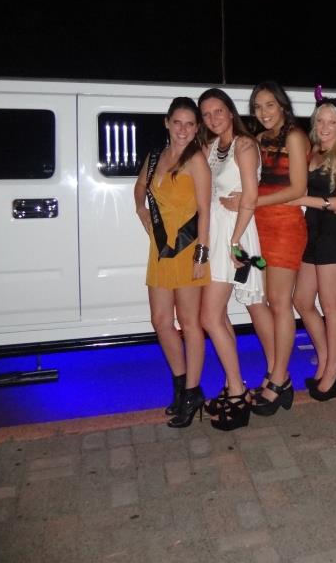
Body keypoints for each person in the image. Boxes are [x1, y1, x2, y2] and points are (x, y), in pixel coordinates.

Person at [219, 82, 309, 416]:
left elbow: (297, 188)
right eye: (257, 107)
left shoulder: (296, 137)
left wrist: (252, 200)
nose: (263, 112)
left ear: (282, 105)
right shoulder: (256, 141)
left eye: (269, 105)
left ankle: (279, 378)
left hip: (285, 226)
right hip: (258, 228)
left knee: (280, 302)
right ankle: (279, 375)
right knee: (261, 300)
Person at [133, 97, 211, 428]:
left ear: (196, 129)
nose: (183, 129)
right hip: (161, 252)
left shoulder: (197, 161)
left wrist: (201, 255)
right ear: (167, 123)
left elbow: (206, 211)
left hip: (188, 248)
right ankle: (180, 385)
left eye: (190, 124)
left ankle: (192, 392)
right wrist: (143, 216)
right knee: (161, 320)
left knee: (190, 323)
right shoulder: (155, 158)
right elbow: (139, 194)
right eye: (177, 122)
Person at [198, 88, 268, 430]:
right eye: (207, 114)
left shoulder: (243, 144)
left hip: (234, 235)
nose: (213, 118)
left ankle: (239, 390)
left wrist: (236, 241)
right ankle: (232, 383)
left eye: (218, 111)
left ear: (230, 110)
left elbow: (251, 196)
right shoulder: (212, 146)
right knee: (218, 315)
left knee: (209, 317)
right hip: (217, 232)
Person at [292, 91, 336, 401]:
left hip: (334, 232)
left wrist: (301, 199)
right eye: (321, 120)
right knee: (302, 301)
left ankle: (333, 368)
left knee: (331, 305)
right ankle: (326, 355)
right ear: (315, 123)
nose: (327, 126)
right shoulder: (313, 150)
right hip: (312, 232)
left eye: (333, 121)